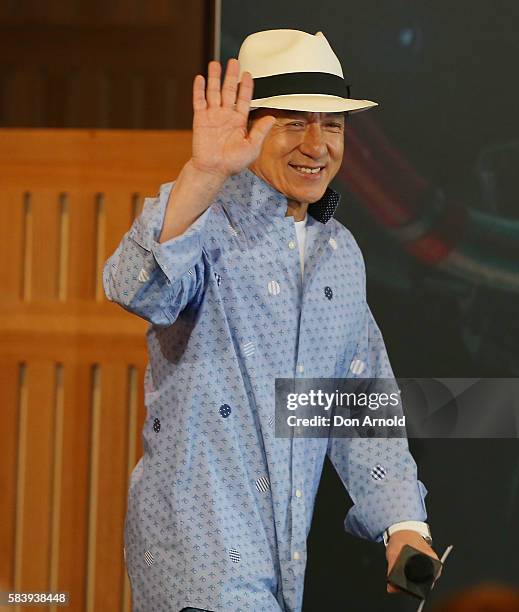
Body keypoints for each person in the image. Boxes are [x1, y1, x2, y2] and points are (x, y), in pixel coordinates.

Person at [103, 29, 440, 612]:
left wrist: (405, 527)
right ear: (248, 128)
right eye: (293, 123)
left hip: (281, 565)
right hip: (195, 560)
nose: (316, 144)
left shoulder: (340, 253)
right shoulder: (202, 218)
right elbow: (133, 286)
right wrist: (203, 173)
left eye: (331, 125)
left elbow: (359, 404)